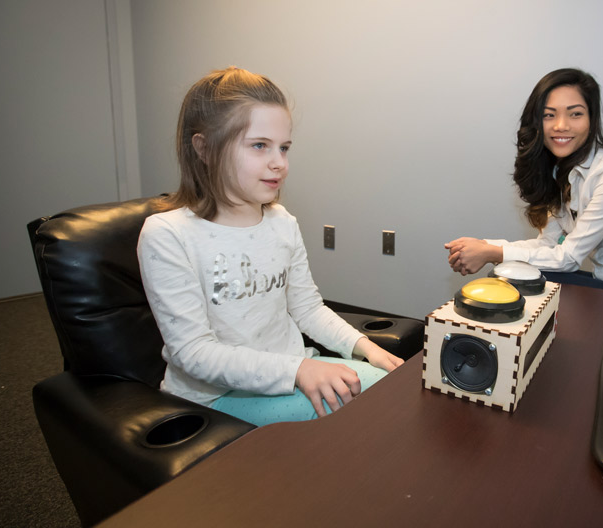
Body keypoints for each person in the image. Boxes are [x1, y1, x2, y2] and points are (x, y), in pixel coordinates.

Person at [137, 67, 403, 426]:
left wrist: (365, 348)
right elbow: (193, 352)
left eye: (284, 147)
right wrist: (298, 370)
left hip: (293, 369)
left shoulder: (281, 223)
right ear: (205, 148)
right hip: (215, 397)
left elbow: (307, 309)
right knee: (366, 412)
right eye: (260, 145)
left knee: (388, 388)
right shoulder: (168, 235)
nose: (279, 162)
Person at [445, 68, 603, 302]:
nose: (561, 125)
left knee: (522, 278)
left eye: (575, 114)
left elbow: (568, 258)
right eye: (549, 115)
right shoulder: (558, 172)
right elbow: (546, 246)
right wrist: (485, 246)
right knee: (515, 272)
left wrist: (492, 253)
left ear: (592, 120)